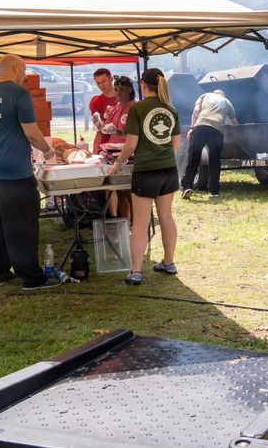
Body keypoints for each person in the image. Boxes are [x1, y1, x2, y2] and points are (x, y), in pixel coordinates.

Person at [0, 54, 60, 290]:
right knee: (22, 223)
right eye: (23, 70)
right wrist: (49, 151)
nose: (25, 75)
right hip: (15, 170)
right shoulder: (19, 93)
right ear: (15, 67)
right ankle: (31, 277)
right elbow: (31, 133)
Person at [105, 67, 181, 285]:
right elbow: (176, 144)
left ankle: (136, 271)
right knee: (166, 217)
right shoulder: (170, 108)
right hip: (169, 170)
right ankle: (169, 262)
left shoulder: (138, 108)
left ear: (143, 85)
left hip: (146, 171)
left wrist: (117, 164)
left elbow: (130, 145)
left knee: (140, 222)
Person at [180, 89, 237, 199]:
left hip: (200, 127)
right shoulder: (227, 101)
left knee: (193, 158)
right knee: (214, 160)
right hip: (216, 131)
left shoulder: (204, 95)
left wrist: (192, 128)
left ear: (213, 93)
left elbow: (196, 111)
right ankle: (214, 191)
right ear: (222, 95)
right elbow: (234, 122)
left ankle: (187, 186)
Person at [101, 75, 135, 217]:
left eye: (122, 89)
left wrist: (117, 131)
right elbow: (106, 129)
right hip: (114, 154)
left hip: (129, 154)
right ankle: (125, 223)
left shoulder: (134, 107)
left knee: (129, 192)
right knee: (119, 192)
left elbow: (132, 133)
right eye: (116, 89)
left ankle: (137, 222)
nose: (118, 92)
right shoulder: (115, 108)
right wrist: (100, 124)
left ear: (130, 90)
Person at [89, 68, 118, 154]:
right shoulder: (96, 103)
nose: (102, 85)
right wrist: (108, 117)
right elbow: (101, 130)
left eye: (104, 81)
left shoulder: (123, 97)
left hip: (125, 141)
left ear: (111, 79)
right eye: (98, 83)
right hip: (107, 145)